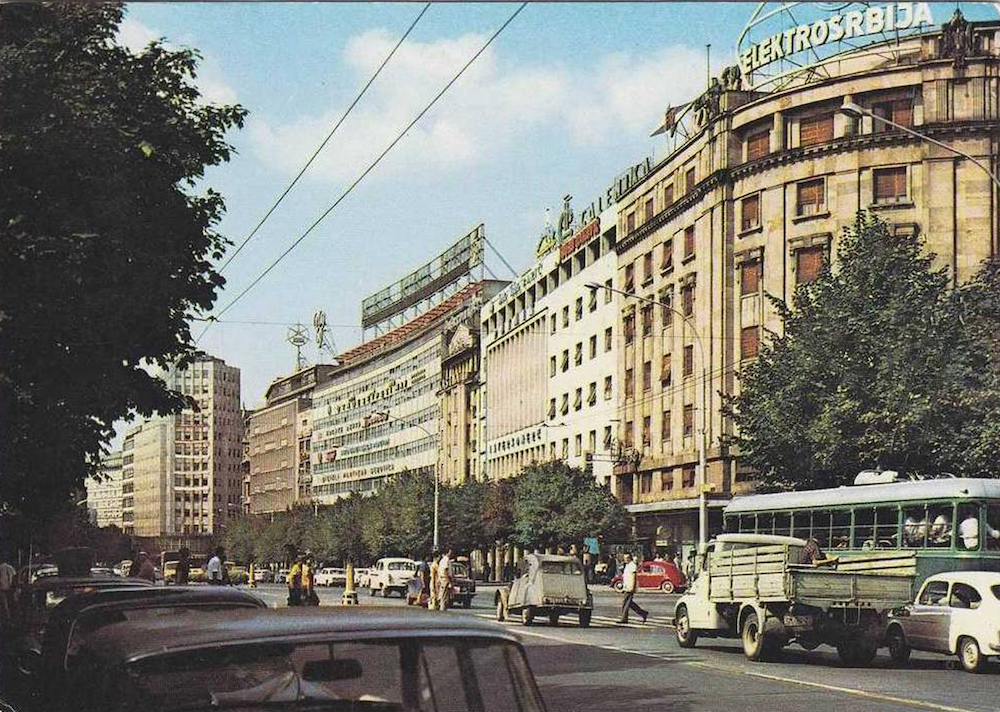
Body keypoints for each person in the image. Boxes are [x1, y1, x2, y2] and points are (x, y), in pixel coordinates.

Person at [617, 554, 648, 625]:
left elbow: (634, 577)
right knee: (630, 603)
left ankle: (624, 619)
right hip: (627, 586)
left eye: (626, 558)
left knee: (625, 603)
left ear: (629, 558)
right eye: (624, 558)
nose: (625, 559)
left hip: (630, 587)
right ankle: (643, 613)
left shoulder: (632, 565)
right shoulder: (627, 565)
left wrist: (633, 587)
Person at [0, 554, 18, 626]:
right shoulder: (10, 568)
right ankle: (12, 619)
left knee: (5, 604)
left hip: (2, 588)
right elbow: (14, 577)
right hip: (11, 588)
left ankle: (7, 618)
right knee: (12, 603)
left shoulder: (1, 568)